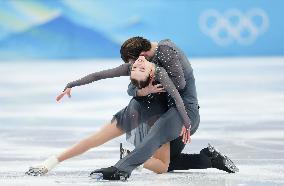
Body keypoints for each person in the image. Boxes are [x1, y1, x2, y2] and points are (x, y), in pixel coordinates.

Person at [25, 37, 238, 179]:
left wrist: (186, 122)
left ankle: (127, 161)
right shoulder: (137, 68)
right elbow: (99, 75)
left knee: (164, 165)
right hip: (140, 109)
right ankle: (208, 158)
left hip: (166, 113)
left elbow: (178, 93)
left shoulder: (163, 70)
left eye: (139, 63)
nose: (137, 63)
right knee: (161, 163)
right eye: (135, 66)